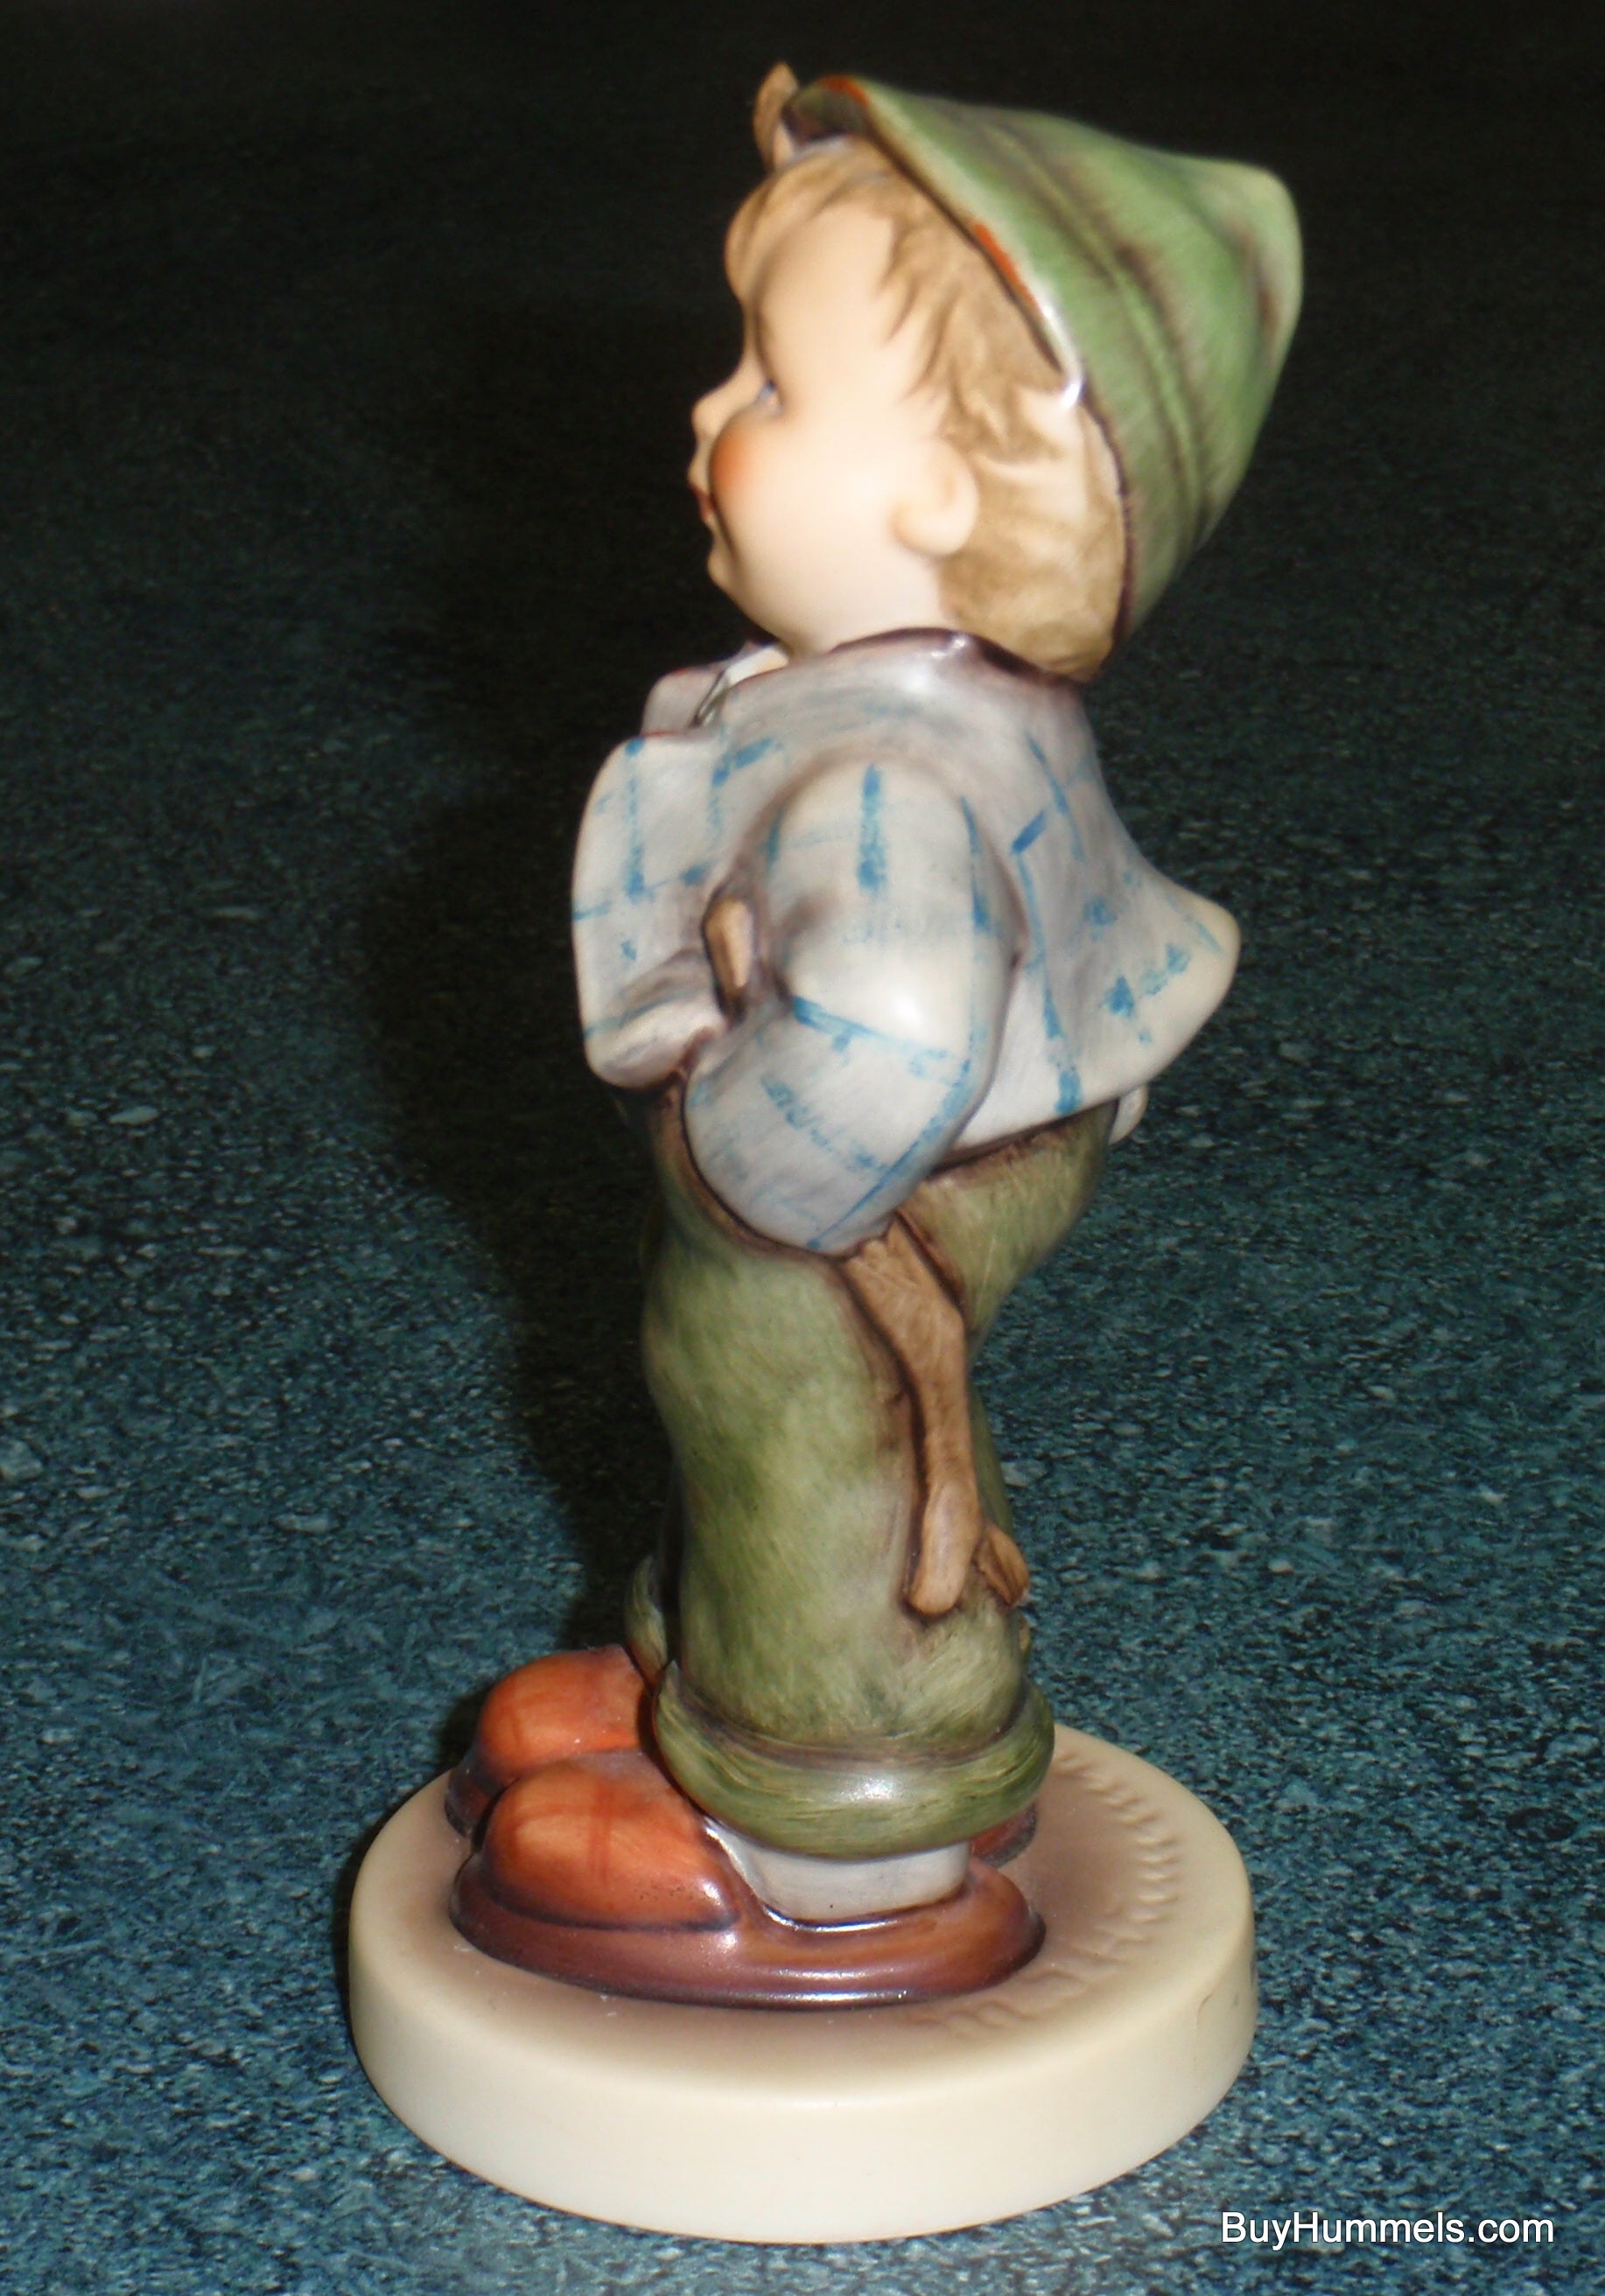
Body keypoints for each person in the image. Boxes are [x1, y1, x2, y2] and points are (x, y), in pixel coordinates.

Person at [446, 66, 1300, 2006]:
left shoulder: (880, 786)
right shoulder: (906, 705)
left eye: (769, 386)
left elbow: (896, 1023)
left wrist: (729, 1166)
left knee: (793, 1412)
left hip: (857, 1171)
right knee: (760, 1421)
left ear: (940, 499)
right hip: (949, 1141)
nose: (707, 414)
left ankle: (839, 1821)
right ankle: (712, 1677)